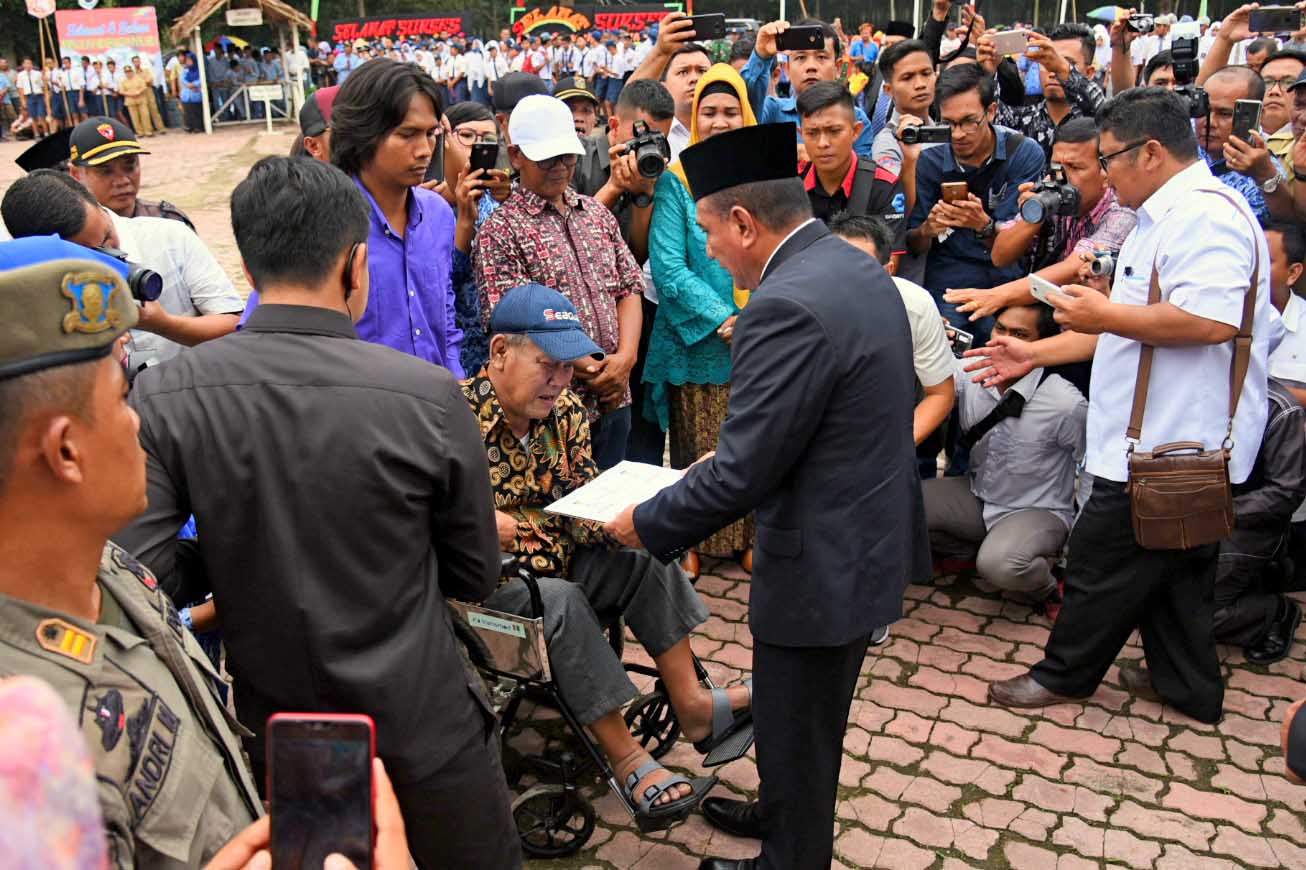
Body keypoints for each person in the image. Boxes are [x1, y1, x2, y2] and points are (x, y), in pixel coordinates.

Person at [112, 156, 521, 869]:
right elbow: (475, 572)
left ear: (247, 261)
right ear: (356, 266)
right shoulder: (426, 396)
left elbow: (145, 577)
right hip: (425, 722)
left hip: (283, 731)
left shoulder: (168, 396)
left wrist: (242, 539)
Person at [606, 121, 929, 870]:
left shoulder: (780, 306)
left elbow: (741, 477)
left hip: (820, 560)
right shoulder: (853, 269)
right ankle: (783, 814)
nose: (710, 250)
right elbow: (832, 414)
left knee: (800, 722)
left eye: (712, 232)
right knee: (801, 718)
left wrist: (644, 523)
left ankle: (791, 856)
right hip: (862, 538)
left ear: (745, 222)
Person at [980, 87, 1278, 725]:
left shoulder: (1204, 215)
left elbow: (1211, 321)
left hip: (1171, 441)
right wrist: (1036, 354)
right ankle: (1189, 686)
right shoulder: (1166, 215)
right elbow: (1128, 325)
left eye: (1108, 159)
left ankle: (1064, 675)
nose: (1105, 176)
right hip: (1157, 436)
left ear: (1150, 151)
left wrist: (1104, 308)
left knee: (1096, 563)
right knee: (1177, 571)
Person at [0, 236, 263, 866]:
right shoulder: (23, 744)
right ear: (65, 451)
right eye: (122, 397)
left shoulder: (105, 565)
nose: (138, 420)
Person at [465, 284, 740, 831]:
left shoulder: (564, 411)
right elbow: (453, 538)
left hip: (558, 563)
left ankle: (692, 704)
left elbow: (576, 504)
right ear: (499, 352)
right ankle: (627, 758)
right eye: (548, 365)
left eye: (569, 367)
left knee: (644, 554)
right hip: (486, 597)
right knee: (559, 601)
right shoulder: (450, 423)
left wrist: (650, 508)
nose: (562, 381)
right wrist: (516, 530)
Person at [474, 95, 645, 469]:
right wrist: (598, 368)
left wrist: (626, 360)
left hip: (617, 398)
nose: (561, 167)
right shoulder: (501, 230)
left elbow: (629, 287)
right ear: (516, 156)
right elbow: (516, 322)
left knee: (610, 514)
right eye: (547, 158)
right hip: (552, 409)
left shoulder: (596, 214)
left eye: (568, 157)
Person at [645, 64, 758, 578]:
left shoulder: (764, 178)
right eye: (708, 112)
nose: (719, 120)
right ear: (694, 118)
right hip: (696, 339)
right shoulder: (676, 182)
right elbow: (668, 267)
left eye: (730, 110)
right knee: (696, 445)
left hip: (758, 332)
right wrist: (725, 317)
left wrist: (757, 314)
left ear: (745, 113)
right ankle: (689, 536)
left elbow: (781, 247)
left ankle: (747, 537)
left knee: (751, 439)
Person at [0, 171, 243, 373]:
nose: (111, 254)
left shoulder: (170, 238)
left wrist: (164, 324)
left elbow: (235, 327)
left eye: (107, 237)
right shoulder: (27, 285)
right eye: (91, 254)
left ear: (97, 205)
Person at [927, 303, 1086, 608]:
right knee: (902, 504)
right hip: (977, 496)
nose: (1004, 339)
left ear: (1043, 345)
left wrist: (1077, 552)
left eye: (1019, 334)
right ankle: (965, 551)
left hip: (1037, 509)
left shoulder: (1064, 402)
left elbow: (1090, 467)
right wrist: (934, 341)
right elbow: (932, 377)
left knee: (1000, 566)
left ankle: (1048, 589)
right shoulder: (972, 370)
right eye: (1000, 328)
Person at [945, 117, 1138, 353]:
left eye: (1076, 168)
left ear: (1104, 173)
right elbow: (1000, 255)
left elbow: (1072, 266)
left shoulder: (1121, 210)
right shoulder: (1048, 191)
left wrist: (998, 296)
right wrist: (1033, 216)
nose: (1063, 178)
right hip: (1049, 312)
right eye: (1058, 167)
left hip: (1098, 333)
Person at [331, 59, 463, 373]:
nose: (425, 150)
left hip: (434, 405)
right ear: (364, 133)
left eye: (431, 134)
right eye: (407, 134)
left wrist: (455, 380)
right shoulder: (323, 221)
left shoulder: (438, 215)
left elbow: (444, 315)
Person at [906, 63, 1046, 344]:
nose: (957, 134)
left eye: (969, 121)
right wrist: (928, 230)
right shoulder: (929, 159)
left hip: (1007, 276)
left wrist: (982, 225)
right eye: (948, 123)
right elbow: (913, 244)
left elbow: (1013, 241)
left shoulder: (1024, 153)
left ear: (991, 111)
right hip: (950, 279)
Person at [797, 82, 908, 264]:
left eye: (834, 131)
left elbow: (889, 266)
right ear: (801, 134)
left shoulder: (884, 185)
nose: (823, 143)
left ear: (856, 131)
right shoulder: (792, 185)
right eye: (812, 133)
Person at [741, 19, 877, 157]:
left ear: (838, 67)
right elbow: (745, 109)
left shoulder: (856, 118)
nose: (811, 66)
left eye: (821, 57)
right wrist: (761, 55)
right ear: (787, 70)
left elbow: (864, 171)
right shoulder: (772, 112)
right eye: (801, 58)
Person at [989, 25, 1105, 161]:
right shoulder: (1021, 120)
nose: (1052, 70)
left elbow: (1104, 110)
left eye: (1067, 63)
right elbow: (985, 118)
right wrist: (988, 71)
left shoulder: (1096, 124)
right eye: (1046, 61)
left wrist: (1063, 70)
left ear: (1089, 72)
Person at [1197, 66, 1292, 224]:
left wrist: (1263, 176)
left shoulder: (1263, 180)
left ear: (1258, 116)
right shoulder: (1182, 146)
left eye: (1225, 114)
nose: (1210, 122)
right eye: (1203, 110)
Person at [66, 117, 196, 230]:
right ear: (76, 174)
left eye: (129, 167)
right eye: (105, 171)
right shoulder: (70, 236)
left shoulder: (169, 222)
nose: (122, 181)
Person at [15, 58, 46, 139]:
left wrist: (45, 97)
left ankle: (46, 132)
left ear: (32, 65)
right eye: (26, 63)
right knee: (33, 117)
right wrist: (23, 101)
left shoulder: (37, 74)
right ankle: (36, 134)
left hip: (39, 96)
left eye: (30, 63)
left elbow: (42, 86)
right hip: (29, 97)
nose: (28, 65)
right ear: (23, 65)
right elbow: (20, 89)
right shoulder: (20, 75)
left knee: (41, 115)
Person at [180, 53, 204, 132]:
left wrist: (194, 84)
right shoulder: (184, 69)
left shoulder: (199, 69)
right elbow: (182, 79)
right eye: (187, 60)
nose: (188, 62)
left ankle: (198, 127)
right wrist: (189, 84)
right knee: (188, 111)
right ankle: (189, 126)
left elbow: (201, 79)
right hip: (187, 93)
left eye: (189, 60)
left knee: (197, 110)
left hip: (196, 92)